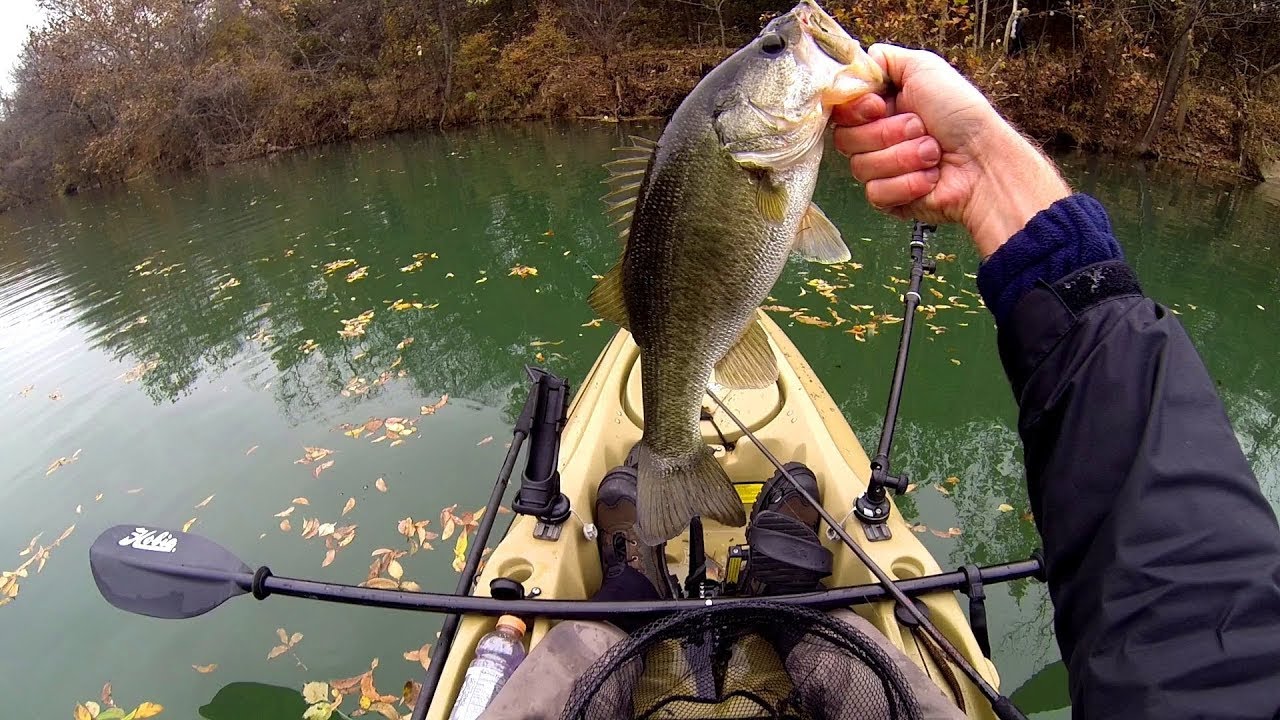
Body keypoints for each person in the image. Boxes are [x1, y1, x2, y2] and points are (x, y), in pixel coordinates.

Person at [484, 43, 1280, 720]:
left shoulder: (756, 151)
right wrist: (1000, 179)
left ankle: (627, 598)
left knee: (577, 658)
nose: (790, 37)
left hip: (715, 296)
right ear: (735, 122)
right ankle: (791, 608)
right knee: (873, 669)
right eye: (774, 50)